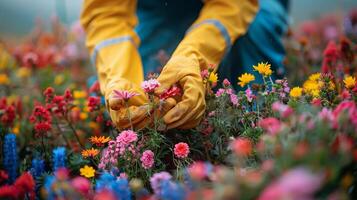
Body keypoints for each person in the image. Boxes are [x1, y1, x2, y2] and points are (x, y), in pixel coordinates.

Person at [80, 0, 289, 130]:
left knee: (258, 27)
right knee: (136, 104)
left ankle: (259, 130)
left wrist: (195, 57)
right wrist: (119, 76)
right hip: (156, 8)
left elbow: (233, 4)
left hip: (248, 6)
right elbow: (106, 14)